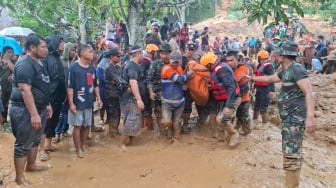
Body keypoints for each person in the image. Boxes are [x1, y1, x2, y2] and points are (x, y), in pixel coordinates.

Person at [245, 41, 316, 188]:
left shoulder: (297, 69)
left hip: (295, 118)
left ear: (284, 55)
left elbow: (308, 92)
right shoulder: (286, 69)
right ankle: (290, 180)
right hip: (288, 118)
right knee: (289, 150)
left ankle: (291, 184)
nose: (275, 55)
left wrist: (310, 117)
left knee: (292, 152)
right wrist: (252, 78)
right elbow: (271, 79)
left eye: (278, 53)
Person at [9, 33, 52, 185]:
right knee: (23, 143)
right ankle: (19, 178)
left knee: (34, 140)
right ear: (32, 48)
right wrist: (34, 114)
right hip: (24, 110)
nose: (46, 50)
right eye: (43, 47)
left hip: (39, 108)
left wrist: (46, 104)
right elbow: (25, 90)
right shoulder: (25, 64)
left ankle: (31, 165)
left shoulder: (40, 62)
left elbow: (42, 85)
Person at [67, 44, 102, 158]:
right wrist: (71, 103)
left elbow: (95, 84)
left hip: (88, 102)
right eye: (90, 52)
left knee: (87, 125)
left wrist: (99, 99)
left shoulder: (92, 68)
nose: (93, 54)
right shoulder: (73, 68)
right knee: (77, 126)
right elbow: (70, 87)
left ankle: (83, 145)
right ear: (82, 54)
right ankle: (78, 149)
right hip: (77, 102)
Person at [200, 52, 240, 147]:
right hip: (225, 99)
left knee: (221, 118)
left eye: (206, 66)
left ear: (210, 64)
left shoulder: (222, 70)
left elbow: (231, 88)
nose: (205, 68)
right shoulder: (217, 69)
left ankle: (234, 134)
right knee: (221, 119)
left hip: (232, 98)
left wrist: (229, 106)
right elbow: (221, 84)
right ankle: (228, 135)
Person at [39, 35, 65, 161]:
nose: (63, 45)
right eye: (60, 43)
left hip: (58, 95)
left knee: (53, 120)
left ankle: (48, 144)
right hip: (50, 96)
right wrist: (47, 98)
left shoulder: (57, 58)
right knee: (46, 123)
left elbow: (61, 79)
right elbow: (46, 80)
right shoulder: (47, 59)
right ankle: (41, 149)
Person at [161, 50, 193, 142]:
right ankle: (169, 134)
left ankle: (176, 139)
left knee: (177, 122)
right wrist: (188, 74)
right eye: (173, 62)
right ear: (169, 61)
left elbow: (182, 81)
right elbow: (178, 79)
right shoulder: (166, 69)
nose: (175, 64)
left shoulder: (179, 69)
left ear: (179, 62)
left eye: (176, 62)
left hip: (180, 102)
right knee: (167, 122)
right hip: (167, 102)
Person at [119, 45, 146, 150]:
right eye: (142, 54)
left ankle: (130, 142)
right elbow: (133, 82)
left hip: (128, 97)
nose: (143, 56)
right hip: (131, 98)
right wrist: (139, 99)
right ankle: (122, 143)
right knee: (132, 120)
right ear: (139, 54)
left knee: (129, 119)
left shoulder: (129, 64)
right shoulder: (132, 66)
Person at [54, 42, 77, 142]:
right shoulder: (61, 62)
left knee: (68, 112)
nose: (73, 52)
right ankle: (56, 133)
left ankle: (64, 129)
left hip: (72, 91)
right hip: (62, 91)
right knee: (61, 113)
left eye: (74, 50)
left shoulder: (74, 63)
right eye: (71, 50)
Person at [224, 51, 251, 135]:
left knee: (243, 117)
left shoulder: (243, 68)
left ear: (237, 60)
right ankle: (234, 132)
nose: (229, 63)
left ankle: (247, 133)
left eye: (231, 60)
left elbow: (236, 79)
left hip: (243, 98)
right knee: (230, 117)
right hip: (232, 99)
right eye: (227, 61)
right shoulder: (227, 69)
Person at [147, 44, 172, 135]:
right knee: (158, 113)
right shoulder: (155, 64)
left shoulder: (173, 64)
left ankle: (170, 133)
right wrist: (151, 92)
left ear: (170, 54)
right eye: (162, 54)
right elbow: (149, 79)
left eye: (166, 54)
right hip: (157, 93)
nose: (164, 56)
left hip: (170, 94)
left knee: (170, 114)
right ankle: (162, 133)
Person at [253, 50, 275, 124]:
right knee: (256, 106)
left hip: (266, 89)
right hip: (258, 88)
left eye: (260, 59)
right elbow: (256, 77)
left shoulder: (269, 67)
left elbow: (272, 79)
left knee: (263, 108)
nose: (260, 60)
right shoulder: (259, 66)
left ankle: (264, 125)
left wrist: (272, 91)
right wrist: (253, 88)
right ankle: (254, 121)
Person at [104, 49, 122, 137]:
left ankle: (115, 131)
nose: (119, 58)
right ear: (111, 57)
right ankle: (113, 132)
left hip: (118, 94)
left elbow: (121, 79)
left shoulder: (118, 68)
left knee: (117, 112)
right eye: (117, 56)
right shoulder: (108, 69)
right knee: (112, 113)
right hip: (111, 94)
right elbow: (119, 80)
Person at [142, 44, 159, 130]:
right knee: (147, 109)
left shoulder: (144, 61)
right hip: (146, 88)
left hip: (144, 87)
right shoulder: (146, 62)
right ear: (152, 52)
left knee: (144, 109)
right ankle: (148, 128)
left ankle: (143, 127)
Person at [0, 46, 15, 123]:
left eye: (12, 52)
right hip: (1, 88)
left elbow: (14, 69)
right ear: (4, 53)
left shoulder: (12, 62)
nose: (11, 54)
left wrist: (8, 60)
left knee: (7, 104)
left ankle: (4, 120)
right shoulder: (1, 62)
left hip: (9, 87)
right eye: (9, 52)